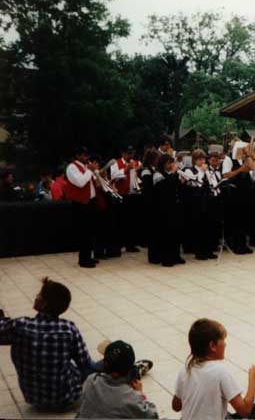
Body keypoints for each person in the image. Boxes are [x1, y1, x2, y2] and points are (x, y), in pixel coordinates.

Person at [0, 278, 103, 412]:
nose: (36, 295)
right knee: (106, 360)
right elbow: (85, 365)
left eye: (39, 294)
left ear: (44, 304)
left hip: (34, 399)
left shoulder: (19, 326)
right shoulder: (68, 329)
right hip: (65, 400)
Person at [172, 319, 255, 420]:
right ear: (212, 346)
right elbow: (245, 411)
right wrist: (253, 378)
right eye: (223, 340)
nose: (225, 344)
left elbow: (176, 406)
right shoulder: (220, 371)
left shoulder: (185, 369)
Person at [77, 340, 157, 418]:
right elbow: (153, 416)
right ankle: (137, 370)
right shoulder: (131, 398)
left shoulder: (90, 380)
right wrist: (140, 394)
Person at [65, 146, 100, 268]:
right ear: (78, 156)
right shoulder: (72, 167)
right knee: (84, 232)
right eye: (84, 155)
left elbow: (92, 181)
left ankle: (89, 256)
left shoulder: (86, 166)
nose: (87, 157)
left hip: (91, 202)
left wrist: (98, 175)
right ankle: (83, 259)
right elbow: (80, 183)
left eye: (87, 155)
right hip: (81, 204)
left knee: (91, 231)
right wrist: (90, 170)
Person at [152, 154, 185, 267]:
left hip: (175, 206)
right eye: (168, 163)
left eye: (171, 162)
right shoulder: (158, 174)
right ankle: (167, 258)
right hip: (164, 208)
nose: (170, 165)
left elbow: (176, 186)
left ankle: (176, 255)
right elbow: (164, 188)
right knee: (166, 233)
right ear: (163, 164)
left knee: (176, 232)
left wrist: (181, 180)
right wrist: (173, 173)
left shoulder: (172, 174)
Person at [110, 146, 142, 254]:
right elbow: (113, 176)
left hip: (133, 195)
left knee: (132, 221)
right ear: (123, 153)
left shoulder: (136, 162)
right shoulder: (116, 163)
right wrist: (126, 169)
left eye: (132, 153)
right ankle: (117, 246)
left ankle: (130, 245)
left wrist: (138, 169)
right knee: (120, 221)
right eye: (128, 153)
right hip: (121, 195)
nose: (130, 155)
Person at [140, 148, 161, 264]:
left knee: (157, 230)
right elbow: (148, 190)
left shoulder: (154, 169)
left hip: (155, 203)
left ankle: (157, 253)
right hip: (150, 204)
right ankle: (153, 256)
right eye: (157, 158)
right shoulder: (146, 171)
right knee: (152, 231)